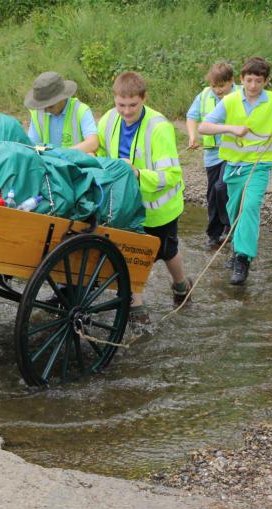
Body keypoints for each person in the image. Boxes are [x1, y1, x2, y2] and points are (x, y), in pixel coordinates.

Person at [96, 71, 191, 322]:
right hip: (126, 205)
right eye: (121, 105)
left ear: (144, 99)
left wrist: (137, 173)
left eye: (132, 105)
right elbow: (101, 153)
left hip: (160, 208)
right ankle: (137, 306)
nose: (126, 111)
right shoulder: (107, 119)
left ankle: (181, 285)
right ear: (114, 99)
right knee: (131, 252)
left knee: (167, 250)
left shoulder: (160, 128)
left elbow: (170, 176)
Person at [199, 56, 272, 285]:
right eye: (249, 80)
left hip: (260, 165)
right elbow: (205, 126)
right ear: (242, 79)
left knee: (250, 206)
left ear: (266, 81)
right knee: (235, 211)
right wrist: (231, 128)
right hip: (233, 166)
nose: (253, 86)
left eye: (258, 81)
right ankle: (236, 248)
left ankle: (243, 259)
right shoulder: (230, 100)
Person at [186, 63, 238, 248]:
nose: (217, 90)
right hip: (211, 154)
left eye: (222, 86)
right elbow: (191, 116)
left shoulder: (242, 95)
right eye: (214, 86)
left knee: (221, 187)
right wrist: (192, 137)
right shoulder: (204, 95)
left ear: (232, 81)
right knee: (212, 194)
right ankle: (213, 234)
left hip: (234, 152)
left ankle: (228, 226)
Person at [24, 71, 99, 154]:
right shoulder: (37, 114)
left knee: (90, 155)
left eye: (50, 106)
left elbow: (93, 144)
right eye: (42, 106)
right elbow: (32, 147)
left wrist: (60, 154)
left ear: (62, 98)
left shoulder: (80, 110)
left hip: (75, 163)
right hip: (48, 163)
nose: (45, 110)